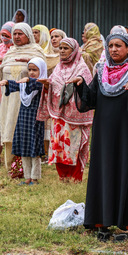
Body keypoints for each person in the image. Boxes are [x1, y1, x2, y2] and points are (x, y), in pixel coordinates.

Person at [68, 32, 128, 241]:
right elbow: (92, 99)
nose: (114, 49)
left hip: (127, 131)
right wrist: (80, 84)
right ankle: (100, 221)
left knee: (126, 172)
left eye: (119, 45)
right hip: (103, 130)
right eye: (111, 45)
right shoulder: (102, 68)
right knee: (103, 171)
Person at [36, 38, 93, 183]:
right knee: (59, 146)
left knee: (73, 146)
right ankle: (62, 176)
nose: (61, 51)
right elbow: (54, 87)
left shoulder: (82, 68)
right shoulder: (58, 68)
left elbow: (87, 88)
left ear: (73, 50)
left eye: (65, 48)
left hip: (75, 116)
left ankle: (75, 177)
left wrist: (78, 83)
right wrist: (47, 85)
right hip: (59, 115)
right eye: (60, 48)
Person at [0, 23, 45, 171]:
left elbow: (42, 76)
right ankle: (11, 167)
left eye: (20, 34)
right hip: (8, 98)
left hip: (27, 101)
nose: (17, 37)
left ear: (28, 35)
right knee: (8, 128)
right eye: (15, 34)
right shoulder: (10, 53)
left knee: (24, 131)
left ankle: (26, 169)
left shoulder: (36, 52)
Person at [0, 57, 47, 185]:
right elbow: (18, 85)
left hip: (35, 122)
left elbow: (37, 84)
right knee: (24, 148)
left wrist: (28, 79)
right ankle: (27, 177)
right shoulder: (26, 83)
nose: (31, 72)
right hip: (23, 121)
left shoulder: (42, 83)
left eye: (35, 70)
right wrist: (7, 83)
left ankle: (35, 177)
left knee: (34, 150)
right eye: (29, 70)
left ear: (41, 70)